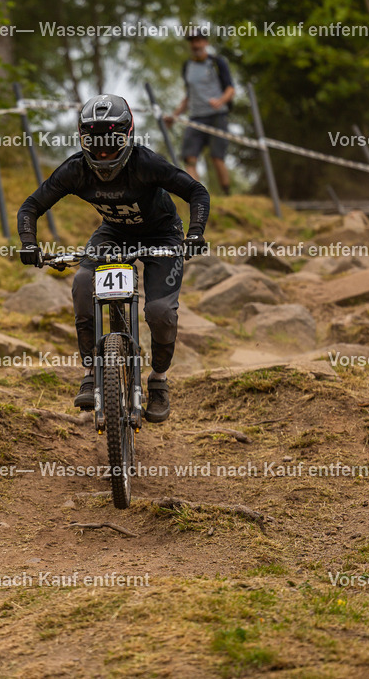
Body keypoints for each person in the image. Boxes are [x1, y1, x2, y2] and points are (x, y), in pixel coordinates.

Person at [17, 94, 210, 423]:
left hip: (162, 236)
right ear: (83, 140)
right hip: (114, 233)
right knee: (82, 283)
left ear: (128, 136)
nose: (103, 152)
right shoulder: (76, 170)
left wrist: (194, 234)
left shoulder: (146, 163)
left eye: (111, 143)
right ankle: (91, 372)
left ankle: (159, 381)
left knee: (160, 312)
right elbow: (31, 206)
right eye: (95, 144)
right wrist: (28, 243)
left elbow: (196, 191)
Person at [164, 31, 235, 195]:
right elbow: (188, 96)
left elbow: (231, 89)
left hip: (218, 115)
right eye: (192, 42)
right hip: (195, 117)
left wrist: (220, 101)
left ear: (205, 43)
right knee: (189, 157)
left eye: (198, 41)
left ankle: (227, 194)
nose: (195, 45)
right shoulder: (187, 66)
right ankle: (196, 195)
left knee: (217, 157)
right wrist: (174, 116)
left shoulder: (217, 62)